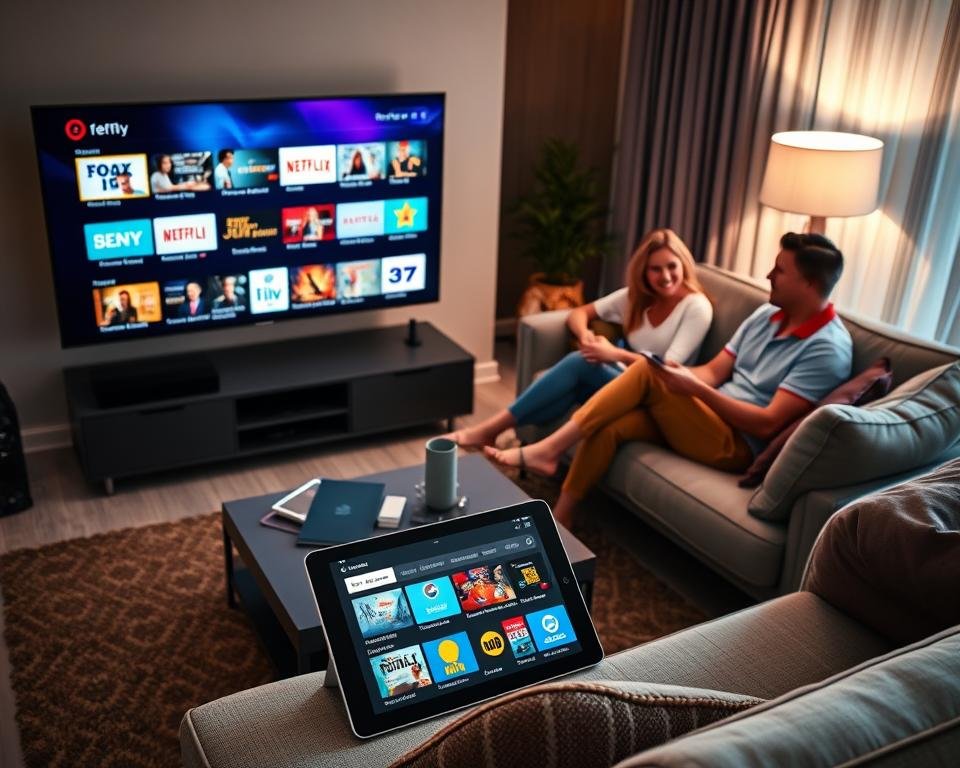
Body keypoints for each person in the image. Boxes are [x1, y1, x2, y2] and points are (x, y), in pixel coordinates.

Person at [486, 232, 853, 527]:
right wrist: (678, 379)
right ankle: (561, 518)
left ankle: (548, 449)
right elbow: (712, 372)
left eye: (779, 271)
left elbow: (767, 422)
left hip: (736, 444)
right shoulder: (766, 315)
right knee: (615, 421)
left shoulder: (827, 349)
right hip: (704, 418)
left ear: (809, 283)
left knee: (647, 368)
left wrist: (687, 387)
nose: (769, 277)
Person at [445, 228, 713, 449]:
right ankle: (520, 444)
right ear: (644, 272)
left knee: (581, 364)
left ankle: (488, 431)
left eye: (671, 267)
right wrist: (586, 336)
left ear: (684, 265)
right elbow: (579, 313)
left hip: (662, 397)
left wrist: (614, 354)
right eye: (656, 269)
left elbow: (667, 370)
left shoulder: (696, 307)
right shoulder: (636, 298)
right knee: (576, 382)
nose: (665, 277)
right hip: (627, 382)